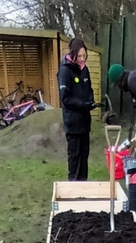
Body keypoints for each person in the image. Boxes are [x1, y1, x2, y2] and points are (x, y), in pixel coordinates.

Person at [57, 38, 96, 181]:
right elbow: (65, 98)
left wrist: (91, 101)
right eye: (79, 56)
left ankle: (83, 185)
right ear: (72, 54)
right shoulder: (65, 71)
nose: (82, 59)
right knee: (75, 157)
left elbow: (89, 89)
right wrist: (82, 105)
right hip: (73, 123)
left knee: (84, 156)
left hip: (85, 123)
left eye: (84, 56)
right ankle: (73, 186)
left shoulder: (85, 70)